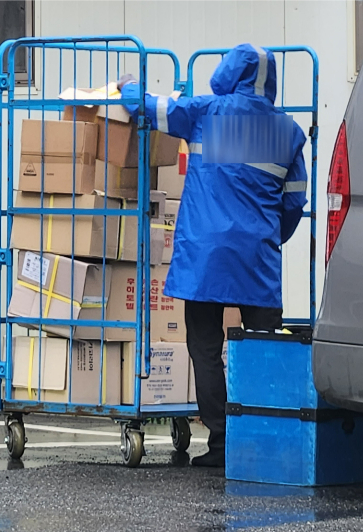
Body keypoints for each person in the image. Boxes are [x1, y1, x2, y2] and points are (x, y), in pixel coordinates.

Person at [118, 44, 308, 467]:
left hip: (206, 256)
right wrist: (270, 236)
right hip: (257, 257)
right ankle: (265, 438)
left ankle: (221, 443)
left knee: (205, 347)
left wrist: (128, 86)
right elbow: (294, 203)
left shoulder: (207, 113)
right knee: (263, 350)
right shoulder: (287, 132)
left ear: (229, 72)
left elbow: (148, 106)